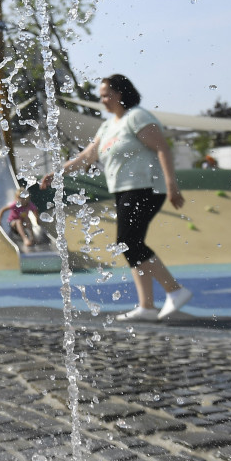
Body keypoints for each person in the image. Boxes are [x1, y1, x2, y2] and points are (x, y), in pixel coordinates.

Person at [40, 73, 192, 322]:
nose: (102, 101)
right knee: (130, 244)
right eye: (101, 96)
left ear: (120, 94)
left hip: (146, 188)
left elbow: (162, 147)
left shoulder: (137, 117)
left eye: (106, 95)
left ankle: (175, 290)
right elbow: (87, 157)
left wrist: (171, 184)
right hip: (123, 190)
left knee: (129, 241)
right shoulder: (107, 126)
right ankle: (147, 306)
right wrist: (57, 173)